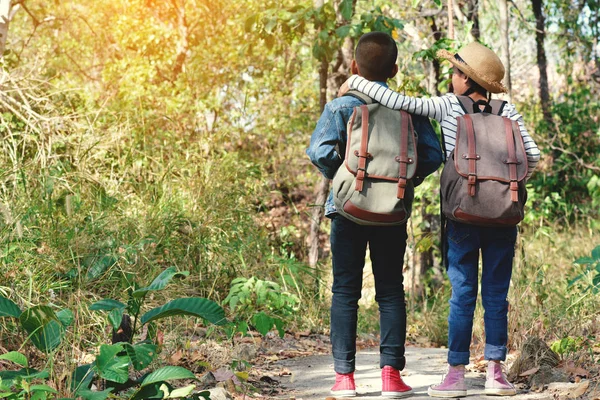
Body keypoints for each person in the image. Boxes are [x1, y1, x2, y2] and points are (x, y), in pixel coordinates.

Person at [340, 42, 541, 397]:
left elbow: (401, 102)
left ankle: (456, 375)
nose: (451, 77)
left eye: (454, 72)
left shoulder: (448, 105)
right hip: (504, 216)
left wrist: (354, 85)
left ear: (465, 79)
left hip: (463, 214)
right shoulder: (509, 110)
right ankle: (496, 373)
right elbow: (533, 157)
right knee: (496, 295)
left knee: (462, 294)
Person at [306, 32, 443, 398]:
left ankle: (344, 379)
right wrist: (401, 181)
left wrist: (345, 177)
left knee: (345, 291)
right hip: (393, 210)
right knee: (390, 292)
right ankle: (390, 376)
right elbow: (432, 155)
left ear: (354, 67)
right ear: (394, 70)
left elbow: (318, 151)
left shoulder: (341, 106)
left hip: (347, 210)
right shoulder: (409, 109)